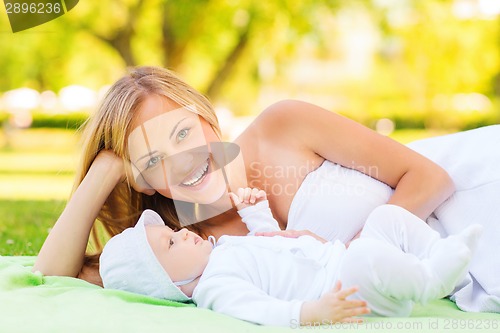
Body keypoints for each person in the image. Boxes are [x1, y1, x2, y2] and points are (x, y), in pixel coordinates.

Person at [33, 66, 500, 313]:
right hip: (456, 272)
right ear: (140, 178)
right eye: (153, 159)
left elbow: (431, 179)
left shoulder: (282, 127)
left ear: (205, 118)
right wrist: (105, 169)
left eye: (182, 133)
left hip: (473, 194)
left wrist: (353, 251)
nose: (183, 162)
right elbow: (54, 273)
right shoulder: (176, 249)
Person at [99, 187, 482, 326]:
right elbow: (262, 310)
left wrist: (255, 210)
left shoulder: (223, 251)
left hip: (339, 258)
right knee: (366, 255)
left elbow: (271, 241)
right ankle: (431, 280)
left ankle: (436, 251)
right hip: (343, 291)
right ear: (170, 284)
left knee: (383, 217)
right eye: (170, 245)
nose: (182, 233)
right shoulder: (216, 287)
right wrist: (311, 314)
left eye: (173, 232)